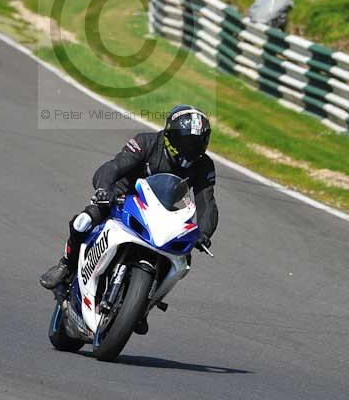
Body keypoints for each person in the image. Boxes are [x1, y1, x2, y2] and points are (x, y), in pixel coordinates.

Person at [40, 105, 218, 305]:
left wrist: (204, 232)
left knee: (184, 257)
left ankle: (144, 303)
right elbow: (113, 166)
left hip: (165, 213)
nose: (192, 150)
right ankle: (65, 265)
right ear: (171, 136)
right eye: (187, 143)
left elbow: (206, 201)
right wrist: (103, 190)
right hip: (123, 197)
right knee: (83, 221)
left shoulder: (204, 165)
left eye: (198, 143)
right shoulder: (146, 142)